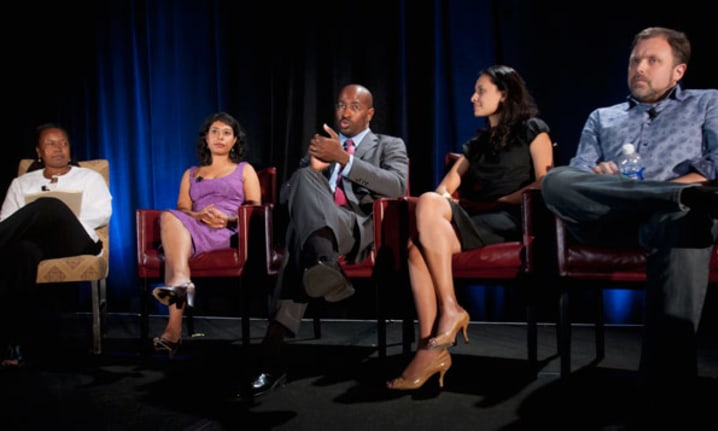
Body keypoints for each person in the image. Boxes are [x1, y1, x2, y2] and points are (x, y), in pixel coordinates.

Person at [541, 27, 718, 400]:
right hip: (609, 219)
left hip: (670, 222)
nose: (639, 67)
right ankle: (689, 197)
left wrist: (676, 194)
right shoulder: (602, 117)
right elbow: (577, 175)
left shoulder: (708, 102)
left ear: (678, 71)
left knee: (680, 222)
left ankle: (665, 395)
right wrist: (600, 175)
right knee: (555, 181)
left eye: (652, 60)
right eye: (635, 60)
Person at [385, 65, 554, 390]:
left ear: (504, 94)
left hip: (514, 219)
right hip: (477, 221)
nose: (472, 97)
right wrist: (449, 203)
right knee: (420, 232)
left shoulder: (533, 129)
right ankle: (433, 342)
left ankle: (442, 324)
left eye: (481, 91)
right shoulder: (476, 144)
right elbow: (445, 189)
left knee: (424, 226)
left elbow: (545, 182)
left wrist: (504, 198)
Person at [245, 84, 409, 397]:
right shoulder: (321, 147)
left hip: (355, 225)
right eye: (340, 105)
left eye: (354, 106)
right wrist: (315, 167)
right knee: (303, 198)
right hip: (316, 225)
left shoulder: (388, 145)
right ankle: (324, 262)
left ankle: (271, 357)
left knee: (298, 240)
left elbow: (397, 186)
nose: (345, 113)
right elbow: (286, 198)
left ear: (370, 113)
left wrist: (345, 161)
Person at [0, 123, 112, 368]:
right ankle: (12, 343)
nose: (59, 149)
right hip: (36, 244)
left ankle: (50, 212)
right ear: (39, 151)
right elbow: (7, 222)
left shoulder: (89, 177)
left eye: (63, 143)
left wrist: (59, 218)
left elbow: (102, 213)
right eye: (50, 144)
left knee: (49, 206)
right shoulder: (22, 183)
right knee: (22, 252)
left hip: (77, 239)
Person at [150, 112, 261, 357]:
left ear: (234, 141)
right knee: (169, 216)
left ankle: (172, 329)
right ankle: (182, 284)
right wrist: (198, 217)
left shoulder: (244, 170)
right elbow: (183, 209)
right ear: (206, 139)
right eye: (215, 132)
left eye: (226, 133)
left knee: (173, 253)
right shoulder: (191, 172)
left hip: (227, 231)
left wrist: (229, 219)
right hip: (194, 227)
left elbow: (255, 209)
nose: (220, 137)